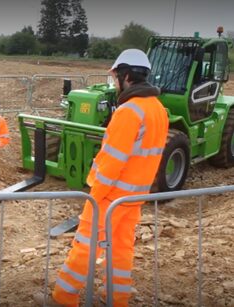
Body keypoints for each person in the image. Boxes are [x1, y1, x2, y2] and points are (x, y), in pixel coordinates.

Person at [42, 49, 169, 306]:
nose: (114, 82)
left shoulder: (129, 111)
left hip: (110, 195)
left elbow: (112, 161)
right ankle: (117, 297)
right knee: (121, 248)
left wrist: (95, 196)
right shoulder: (158, 109)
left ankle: (64, 297)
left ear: (126, 75)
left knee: (86, 246)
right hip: (134, 196)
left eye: (115, 77)